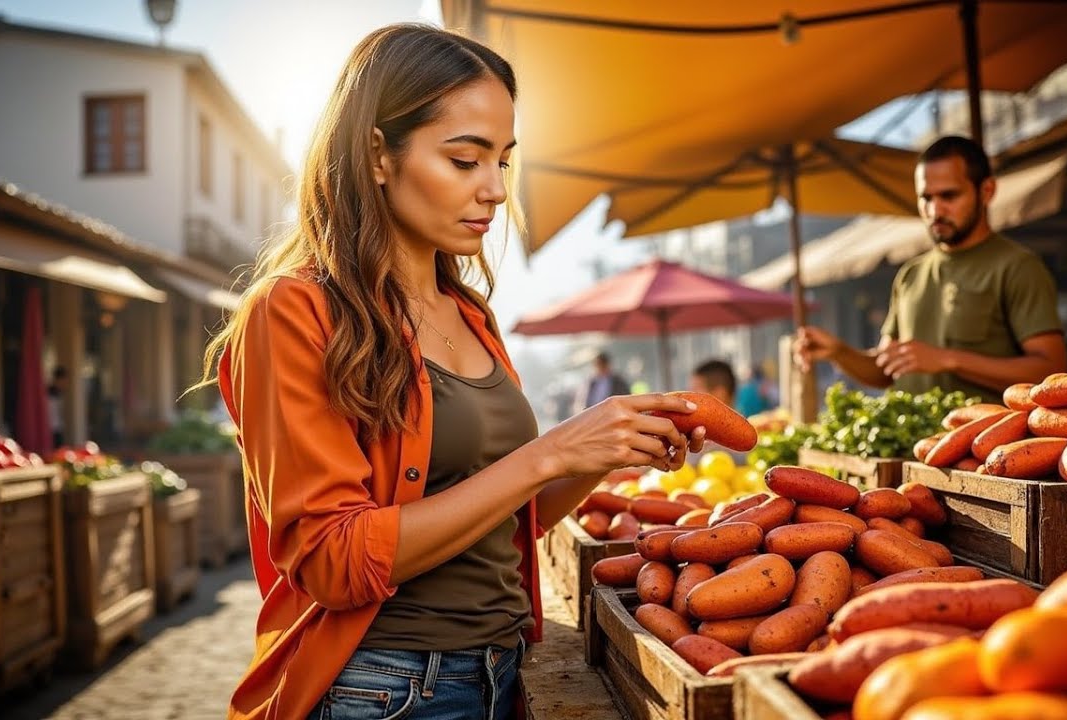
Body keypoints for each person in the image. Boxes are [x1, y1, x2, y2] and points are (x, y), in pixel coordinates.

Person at [194, 25, 706, 720]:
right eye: (465, 160)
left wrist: (603, 453)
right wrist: (549, 451)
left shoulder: (469, 313)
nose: (495, 190)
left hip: (497, 675)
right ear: (379, 154)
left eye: (503, 160)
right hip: (382, 690)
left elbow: (504, 519)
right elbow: (332, 561)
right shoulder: (293, 311)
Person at [794, 135, 1067, 403]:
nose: (935, 210)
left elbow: (1051, 373)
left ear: (987, 191)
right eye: (926, 197)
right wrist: (839, 352)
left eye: (949, 195)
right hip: (909, 445)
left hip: (985, 447)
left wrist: (948, 359)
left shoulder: (1018, 267)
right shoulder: (910, 274)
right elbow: (885, 370)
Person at [46, 365, 67, 449]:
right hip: (51, 428)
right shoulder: (50, 393)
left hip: (58, 427)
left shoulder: (59, 393)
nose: (65, 383)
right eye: (63, 380)